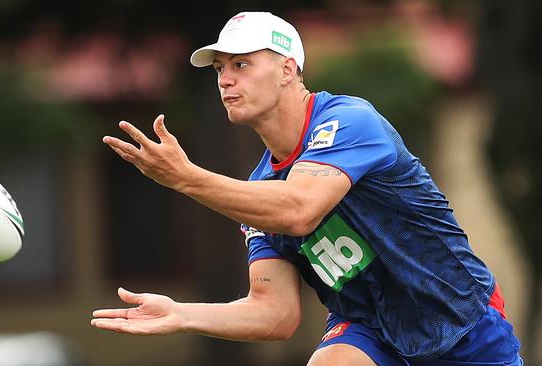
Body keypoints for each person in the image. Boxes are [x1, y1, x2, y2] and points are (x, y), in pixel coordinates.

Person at [92, 11, 524, 366]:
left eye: (241, 64)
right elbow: (274, 313)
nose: (225, 79)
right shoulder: (259, 191)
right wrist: (180, 314)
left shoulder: (350, 120)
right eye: (221, 68)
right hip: (370, 328)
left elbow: (299, 209)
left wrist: (185, 177)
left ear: (288, 69)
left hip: (459, 323)